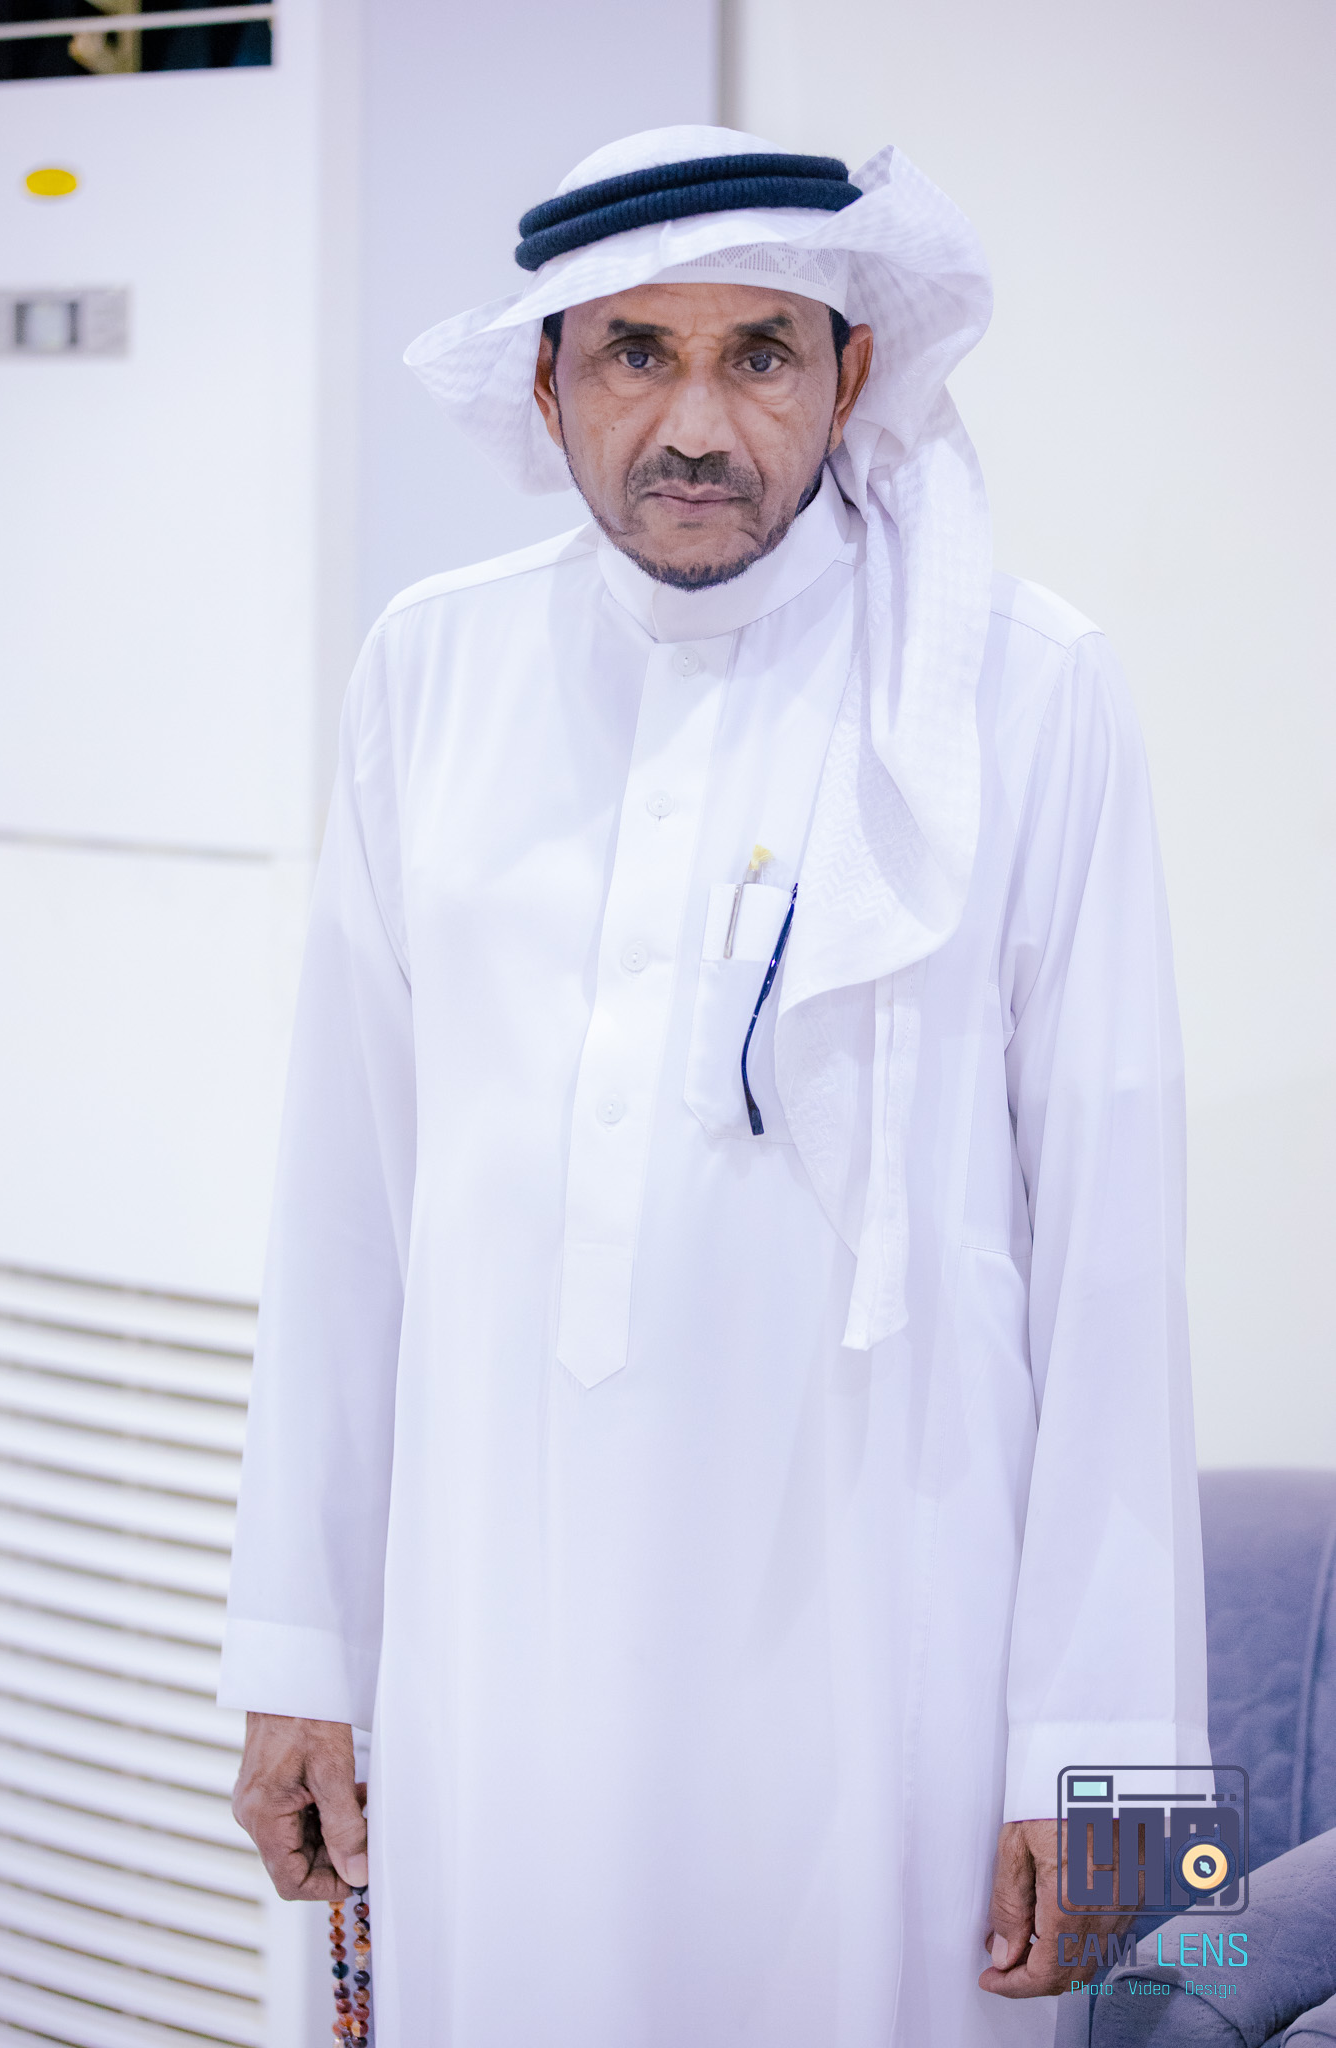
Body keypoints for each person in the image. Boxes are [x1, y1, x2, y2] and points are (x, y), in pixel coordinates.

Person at [219, 125, 1209, 2046]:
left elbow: (1115, 1263)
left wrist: (1117, 1786)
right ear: (544, 382)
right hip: (494, 1659)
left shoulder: (1027, 687)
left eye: (758, 352)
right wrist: (296, 1646)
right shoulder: (431, 670)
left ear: (852, 372)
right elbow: (345, 1202)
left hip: (897, 1680)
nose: (694, 424)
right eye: (632, 354)